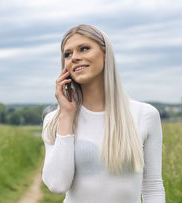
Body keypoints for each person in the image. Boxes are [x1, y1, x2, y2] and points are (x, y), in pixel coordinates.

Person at [41, 24, 166, 203]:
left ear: (106, 53)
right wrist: (66, 115)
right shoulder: (54, 120)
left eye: (84, 49)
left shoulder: (145, 114)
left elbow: (152, 187)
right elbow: (57, 185)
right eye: (67, 54)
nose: (75, 57)